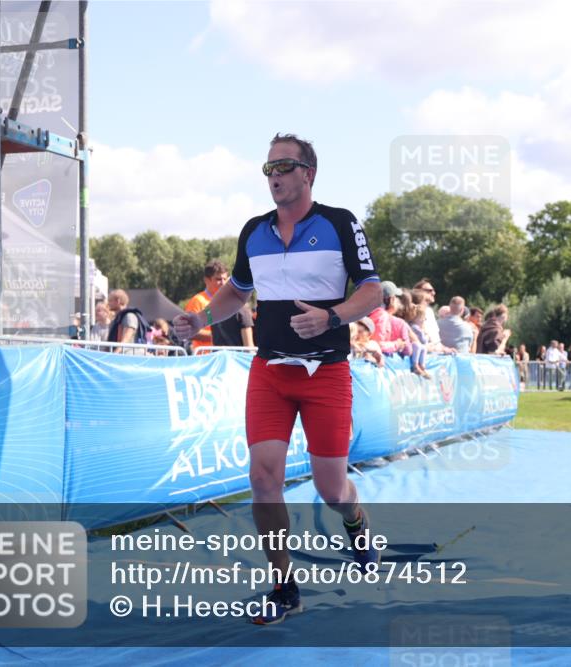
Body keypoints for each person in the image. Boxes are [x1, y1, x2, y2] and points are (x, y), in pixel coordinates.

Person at [172, 133, 383, 625]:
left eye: (284, 167)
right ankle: (284, 586)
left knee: (333, 490)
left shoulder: (339, 223)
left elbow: (371, 292)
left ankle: (356, 521)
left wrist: (331, 318)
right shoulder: (254, 231)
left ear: (308, 173)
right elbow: (237, 291)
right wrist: (200, 321)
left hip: (326, 373)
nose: (275, 176)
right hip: (270, 371)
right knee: (263, 478)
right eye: (268, 168)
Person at [184, 260, 229, 352]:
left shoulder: (229, 301)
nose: (223, 283)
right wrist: (219, 336)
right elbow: (189, 331)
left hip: (226, 357)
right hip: (205, 358)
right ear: (206, 280)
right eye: (218, 279)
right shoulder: (197, 301)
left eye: (225, 279)